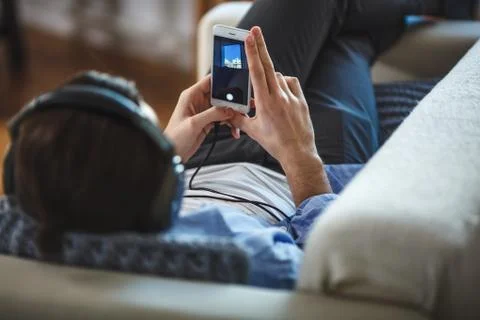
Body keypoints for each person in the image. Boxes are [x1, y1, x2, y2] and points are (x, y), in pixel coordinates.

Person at [5, 0, 479, 289]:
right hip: (297, 172)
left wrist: (169, 150)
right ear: (156, 194)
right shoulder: (251, 262)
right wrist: (300, 155)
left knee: (324, 24)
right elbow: (326, 264)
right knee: (341, 40)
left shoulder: (56, 208)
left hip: (221, 146)